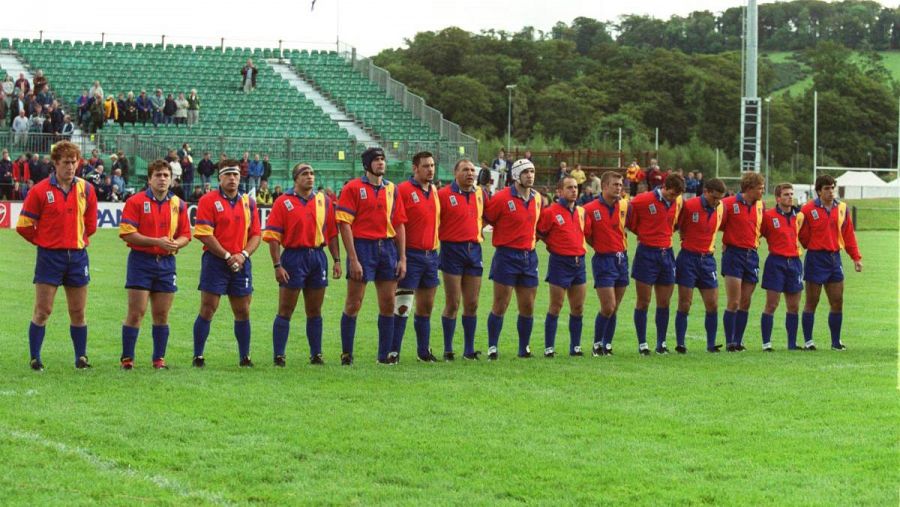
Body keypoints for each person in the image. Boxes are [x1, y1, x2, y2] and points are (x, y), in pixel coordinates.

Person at [16, 141, 98, 370]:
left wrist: (74, 239)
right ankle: (35, 358)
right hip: (49, 257)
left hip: (78, 257)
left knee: (78, 311)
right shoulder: (40, 190)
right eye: (66, 162)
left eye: (74, 162)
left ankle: (81, 358)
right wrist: (44, 241)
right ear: (55, 163)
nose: (71, 167)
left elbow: (90, 225)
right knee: (43, 310)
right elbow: (23, 226)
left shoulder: (87, 189)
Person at [335, 147, 408, 365]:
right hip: (363, 247)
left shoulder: (392, 189)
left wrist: (402, 257)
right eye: (376, 160)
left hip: (386, 248)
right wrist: (354, 258)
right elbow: (344, 225)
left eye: (383, 159)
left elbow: (399, 224)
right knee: (354, 302)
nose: (381, 163)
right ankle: (347, 353)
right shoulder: (353, 188)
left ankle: (383, 355)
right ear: (367, 165)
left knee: (387, 303)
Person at [263, 163, 341, 366]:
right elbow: (273, 237)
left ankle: (316, 354)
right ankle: (279, 355)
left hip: (317, 257)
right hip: (293, 258)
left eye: (312, 173)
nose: (310, 177)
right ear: (296, 178)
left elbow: (332, 234)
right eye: (305, 174)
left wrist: (337, 261)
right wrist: (277, 265)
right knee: (286, 308)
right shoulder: (283, 202)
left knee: (315, 310)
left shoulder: (324, 201)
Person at [117, 160, 191, 369]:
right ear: (149, 179)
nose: (162, 179)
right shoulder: (136, 202)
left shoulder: (179, 204)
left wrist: (175, 243)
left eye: (166, 175)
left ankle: (159, 359)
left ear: (172, 179)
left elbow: (186, 234)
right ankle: (127, 359)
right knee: (136, 312)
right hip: (141, 262)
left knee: (161, 314)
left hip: (166, 264)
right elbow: (127, 233)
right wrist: (156, 241)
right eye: (158, 175)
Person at [191, 160, 262, 367]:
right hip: (216, 261)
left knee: (243, 310)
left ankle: (244, 356)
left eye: (236, 175)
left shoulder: (249, 202)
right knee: (208, 307)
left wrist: (242, 255)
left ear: (240, 178)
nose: (232, 178)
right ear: (219, 178)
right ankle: (198, 355)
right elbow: (204, 233)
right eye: (228, 175)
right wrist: (227, 256)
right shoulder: (208, 200)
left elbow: (256, 234)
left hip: (241, 262)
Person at [483, 159, 543, 360]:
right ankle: (492, 347)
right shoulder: (501, 198)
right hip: (506, 256)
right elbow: (487, 219)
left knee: (528, 305)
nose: (530, 175)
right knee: (501, 304)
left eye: (532, 171)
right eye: (526, 172)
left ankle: (523, 348)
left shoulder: (537, 198)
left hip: (529, 256)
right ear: (516, 175)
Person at [798, 174, 862, 351]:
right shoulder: (807, 209)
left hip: (834, 259)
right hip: (815, 258)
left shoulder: (842, 208)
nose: (831, 191)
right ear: (819, 191)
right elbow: (801, 232)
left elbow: (848, 235)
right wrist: (811, 245)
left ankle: (835, 342)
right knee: (812, 301)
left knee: (837, 301)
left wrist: (856, 257)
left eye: (832, 187)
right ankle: (809, 342)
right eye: (827, 188)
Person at [626, 173, 685, 355]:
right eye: (670, 194)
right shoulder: (641, 201)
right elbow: (630, 222)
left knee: (664, 302)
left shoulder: (678, 202)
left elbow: (675, 224)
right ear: (664, 187)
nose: (672, 198)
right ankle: (643, 344)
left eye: (676, 196)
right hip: (646, 253)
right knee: (643, 302)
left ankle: (662, 343)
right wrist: (645, 234)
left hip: (666, 253)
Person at [391, 151, 441, 363]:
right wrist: (400, 256)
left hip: (432, 255)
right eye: (425, 166)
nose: (430, 169)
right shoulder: (402, 190)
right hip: (411, 254)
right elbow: (396, 223)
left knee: (426, 307)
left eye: (432, 165)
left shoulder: (435, 190)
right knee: (403, 306)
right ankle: (393, 352)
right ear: (415, 168)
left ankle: (423, 352)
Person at [437, 159, 486, 361]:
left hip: (474, 250)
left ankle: (468, 349)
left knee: (472, 303)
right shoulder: (443, 195)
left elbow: (489, 216)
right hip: (452, 250)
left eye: (473, 170)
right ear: (455, 173)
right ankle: (448, 349)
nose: (470, 173)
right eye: (465, 170)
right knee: (453, 302)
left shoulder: (480, 194)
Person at [674, 178, 726, 354]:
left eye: (720, 198)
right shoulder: (689, 206)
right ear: (706, 192)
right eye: (714, 198)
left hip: (708, 260)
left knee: (712, 304)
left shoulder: (720, 208)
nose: (717, 201)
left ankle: (711, 344)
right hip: (688, 258)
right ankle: (680, 344)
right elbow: (678, 225)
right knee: (685, 303)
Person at [536, 176, 586, 357]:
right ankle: (549, 347)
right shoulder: (550, 212)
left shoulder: (581, 211)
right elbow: (539, 234)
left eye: (576, 187)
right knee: (556, 305)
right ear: (559, 191)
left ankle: (576, 347)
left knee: (578, 307)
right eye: (570, 187)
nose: (574, 190)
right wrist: (554, 246)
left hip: (579, 262)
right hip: (560, 263)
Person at [583, 172, 630, 356]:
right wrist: (601, 246)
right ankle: (597, 344)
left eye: (620, 185)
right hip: (604, 260)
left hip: (622, 259)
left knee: (615, 307)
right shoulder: (589, 208)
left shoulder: (625, 206)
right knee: (608, 306)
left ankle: (607, 345)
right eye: (615, 184)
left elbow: (631, 226)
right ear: (604, 186)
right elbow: (587, 234)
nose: (618, 187)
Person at [719, 172, 765, 351]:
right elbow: (717, 224)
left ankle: (738, 340)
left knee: (746, 301)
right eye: (760, 188)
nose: (762, 192)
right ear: (749, 188)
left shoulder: (760, 206)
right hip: (733, 255)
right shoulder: (728, 204)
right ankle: (730, 341)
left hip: (752, 255)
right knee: (734, 301)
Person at [759, 183, 804, 351]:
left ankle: (792, 344)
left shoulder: (799, 216)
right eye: (786, 194)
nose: (790, 196)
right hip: (776, 262)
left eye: (791, 194)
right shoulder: (768, 216)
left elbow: (805, 236)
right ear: (778, 198)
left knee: (793, 306)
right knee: (772, 304)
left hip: (795, 263)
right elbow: (756, 233)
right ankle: (766, 343)